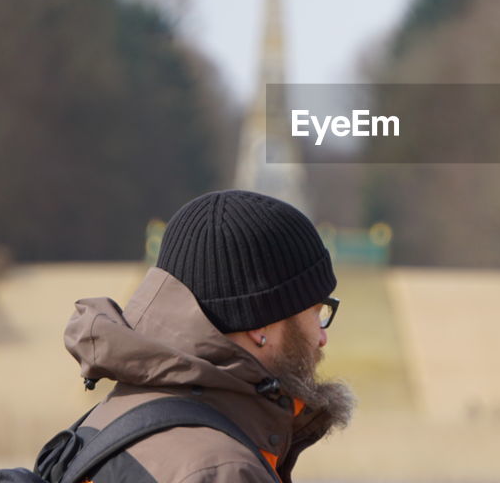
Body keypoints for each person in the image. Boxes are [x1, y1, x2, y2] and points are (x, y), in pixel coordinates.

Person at [61, 189, 355, 483]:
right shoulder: (223, 471)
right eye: (316, 312)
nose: (322, 337)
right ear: (259, 326)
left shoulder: (102, 423)